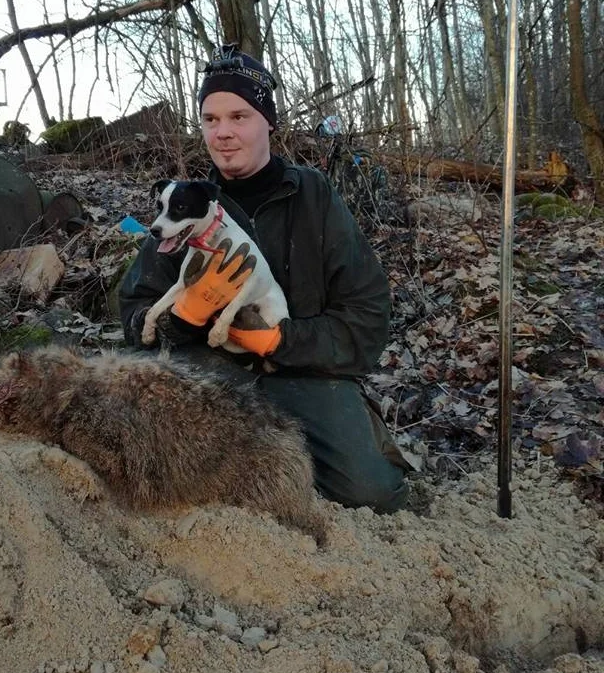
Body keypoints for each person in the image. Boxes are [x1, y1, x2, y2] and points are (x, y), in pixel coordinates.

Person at [119, 44, 408, 513]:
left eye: (239, 116)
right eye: (211, 120)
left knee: (370, 493)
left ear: (268, 121)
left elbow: (368, 314)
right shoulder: (187, 206)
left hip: (303, 372)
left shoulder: (313, 197)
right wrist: (183, 319)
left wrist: (278, 340)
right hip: (211, 377)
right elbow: (135, 315)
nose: (223, 133)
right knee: (170, 484)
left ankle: (353, 436)